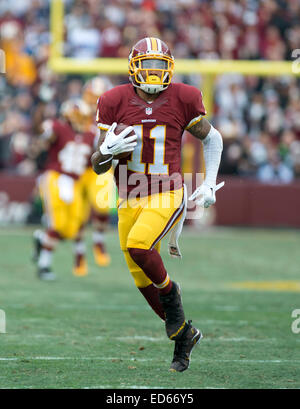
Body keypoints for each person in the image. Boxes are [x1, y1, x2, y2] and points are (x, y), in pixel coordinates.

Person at [91, 37, 223, 372]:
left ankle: (173, 295)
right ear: (134, 67)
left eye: (160, 66)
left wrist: (208, 182)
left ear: (170, 68)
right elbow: (97, 164)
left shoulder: (184, 96)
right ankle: (184, 335)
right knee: (140, 278)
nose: (153, 73)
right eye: (147, 65)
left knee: (139, 247)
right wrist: (107, 152)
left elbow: (212, 137)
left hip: (167, 190)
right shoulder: (112, 99)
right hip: (128, 195)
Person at [33, 99, 96, 280]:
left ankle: (41, 238)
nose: (81, 120)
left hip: (75, 182)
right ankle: (44, 266)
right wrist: (40, 108)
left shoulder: (91, 135)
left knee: (71, 230)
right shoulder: (57, 127)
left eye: (83, 117)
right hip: (56, 177)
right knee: (57, 224)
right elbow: (40, 130)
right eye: (77, 116)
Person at [73, 76, 115, 276]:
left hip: (98, 169)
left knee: (102, 203)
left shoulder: (113, 114)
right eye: (91, 95)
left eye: (97, 96)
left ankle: (98, 239)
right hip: (77, 170)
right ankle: (79, 253)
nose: (93, 100)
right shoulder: (75, 110)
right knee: (78, 214)